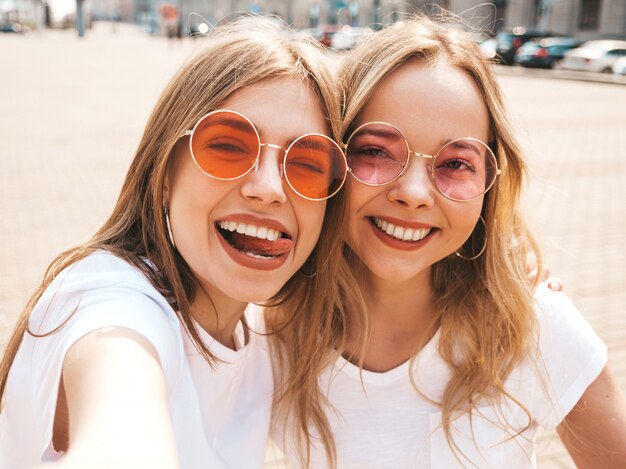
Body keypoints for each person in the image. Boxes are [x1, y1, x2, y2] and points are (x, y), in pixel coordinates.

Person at [268, 15, 626, 468]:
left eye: (456, 164)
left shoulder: (531, 326)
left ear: (489, 183)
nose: (414, 194)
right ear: (332, 157)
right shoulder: (272, 329)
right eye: (376, 151)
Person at [0, 18, 350, 469]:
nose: (268, 188)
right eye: (227, 146)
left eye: (306, 163)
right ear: (165, 172)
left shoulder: (259, 347)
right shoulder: (110, 304)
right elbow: (119, 426)